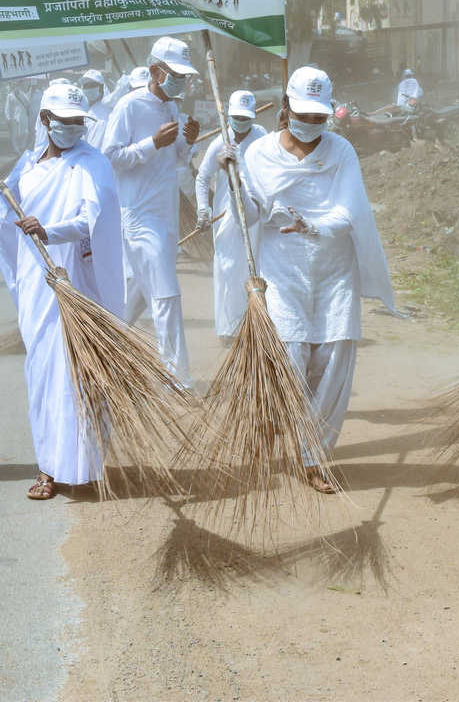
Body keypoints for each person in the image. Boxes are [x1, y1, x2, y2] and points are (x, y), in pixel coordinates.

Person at [234, 66, 394, 492]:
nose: (311, 125)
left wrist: (314, 226)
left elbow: (349, 212)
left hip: (334, 267)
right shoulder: (259, 154)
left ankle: (314, 457)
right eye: (303, 115)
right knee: (289, 357)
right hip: (282, 270)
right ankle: (271, 419)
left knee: (333, 362)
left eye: (319, 117)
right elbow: (250, 214)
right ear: (285, 108)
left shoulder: (341, 151)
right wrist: (231, 179)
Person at [0, 83, 122, 500]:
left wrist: (50, 230)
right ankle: (48, 468)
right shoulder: (29, 164)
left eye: (79, 121)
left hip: (79, 282)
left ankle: (86, 468)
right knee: (43, 373)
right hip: (40, 285)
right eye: (65, 121)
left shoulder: (94, 164)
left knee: (79, 373)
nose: (74, 128)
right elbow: (7, 212)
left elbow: (94, 222)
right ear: (45, 120)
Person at [101, 37, 200, 386]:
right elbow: (109, 157)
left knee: (139, 290)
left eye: (185, 76)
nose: (182, 82)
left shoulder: (172, 108)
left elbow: (174, 161)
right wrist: (151, 143)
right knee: (167, 293)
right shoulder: (129, 106)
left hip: (166, 213)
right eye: (176, 75)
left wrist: (187, 141)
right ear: (156, 71)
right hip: (139, 216)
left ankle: (101, 342)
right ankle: (177, 376)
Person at [195, 90, 267, 340]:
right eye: (236, 117)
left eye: (246, 118)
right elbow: (203, 178)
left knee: (255, 266)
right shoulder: (220, 142)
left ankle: (254, 326)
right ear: (229, 115)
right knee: (227, 268)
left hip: (255, 211)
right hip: (226, 216)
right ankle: (228, 328)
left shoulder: (262, 139)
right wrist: (203, 209)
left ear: (254, 116)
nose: (241, 124)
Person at [80, 69, 112, 149]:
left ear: (101, 88)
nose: (88, 89)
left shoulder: (107, 108)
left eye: (92, 85)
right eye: (86, 86)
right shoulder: (83, 111)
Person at [5, 81, 35, 155]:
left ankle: (22, 146)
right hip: (14, 117)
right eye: (14, 86)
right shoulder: (10, 96)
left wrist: (28, 94)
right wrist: (8, 118)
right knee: (14, 134)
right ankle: (16, 149)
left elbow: (28, 103)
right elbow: (7, 108)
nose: (16, 87)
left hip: (23, 116)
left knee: (25, 132)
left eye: (17, 85)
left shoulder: (22, 94)